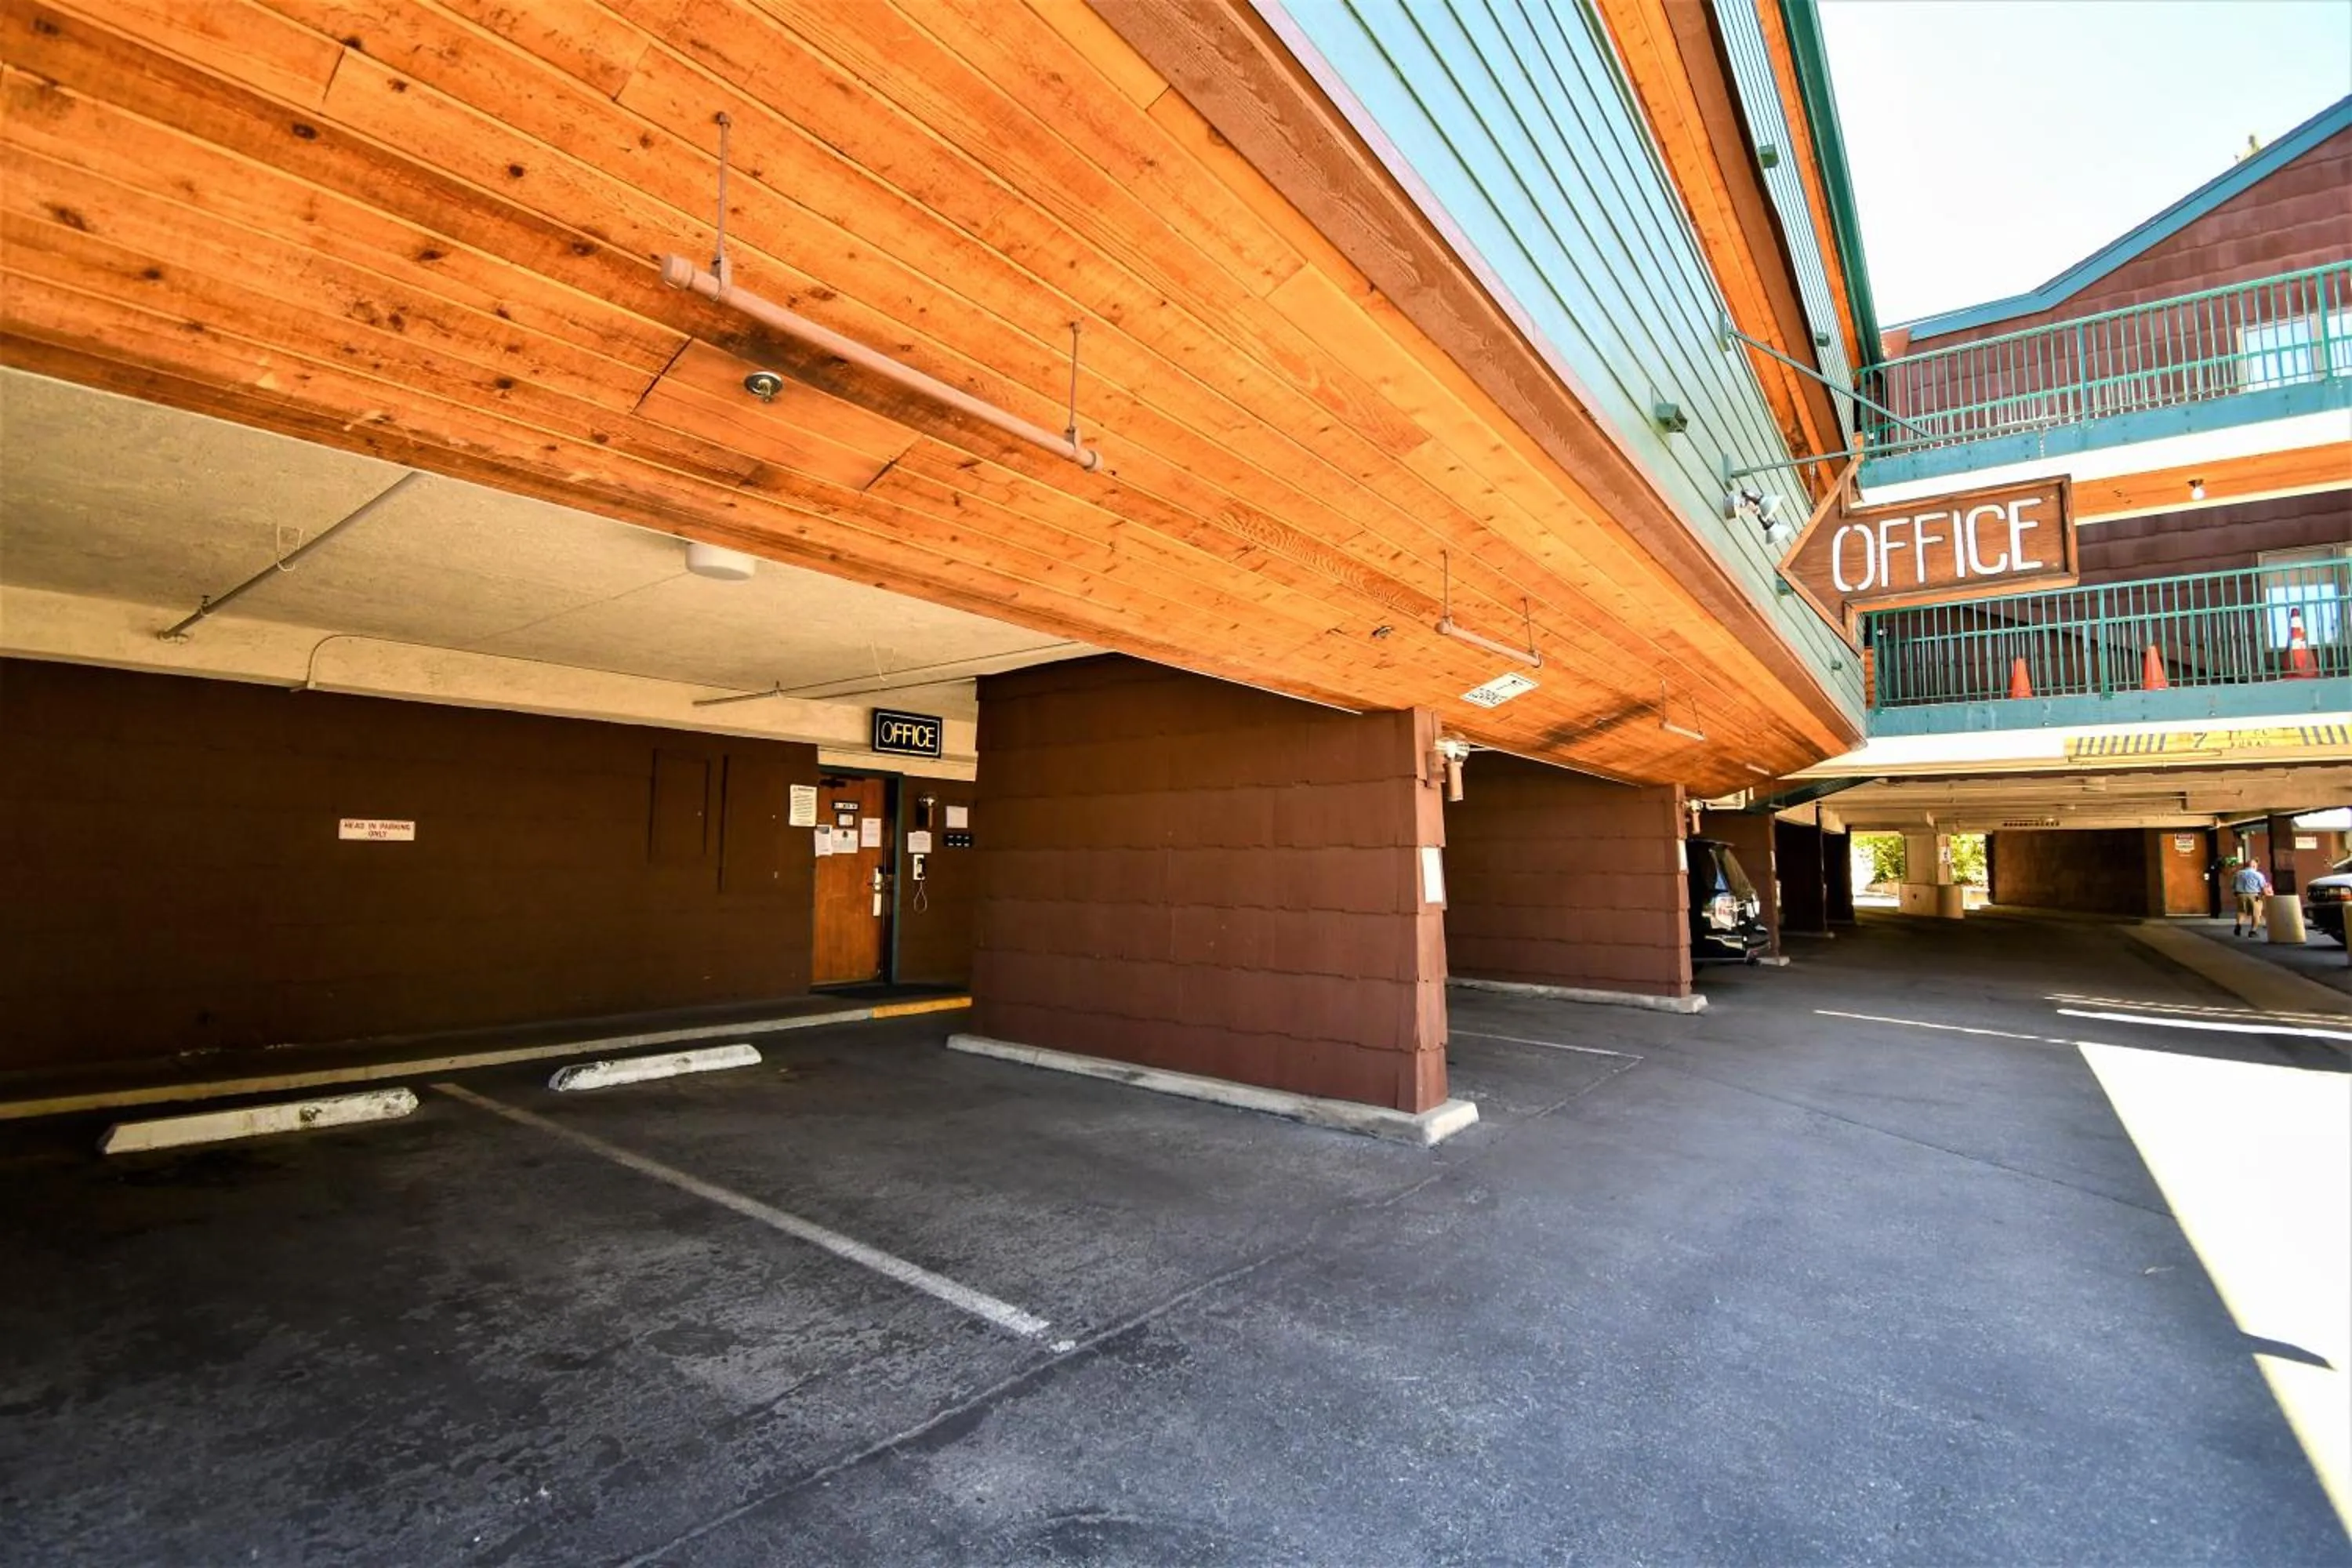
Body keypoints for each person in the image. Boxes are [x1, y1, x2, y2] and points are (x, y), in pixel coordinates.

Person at [2230, 858, 2271, 937]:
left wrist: (2236, 893)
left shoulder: (2238, 874)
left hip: (2241, 895)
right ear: (2254, 866)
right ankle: (2253, 931)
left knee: (2241, 911)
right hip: (2254, 895)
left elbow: (2233, 885)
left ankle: (2238, 925)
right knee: (2256, 914)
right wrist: (2266, 894)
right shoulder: (2258, 874)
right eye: (2256, 865)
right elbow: (2263, 886)